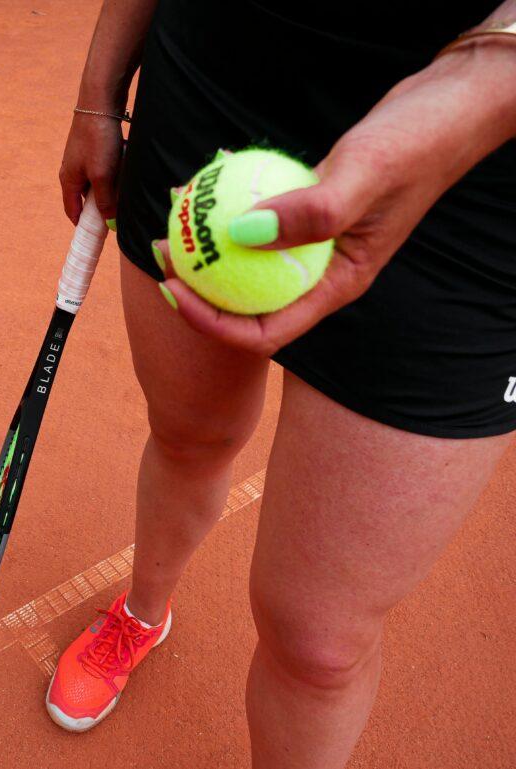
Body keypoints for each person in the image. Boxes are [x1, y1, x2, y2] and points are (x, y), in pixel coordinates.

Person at [45, 2, 516, 766]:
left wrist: (487, 78)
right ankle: (142, 611)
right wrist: (98, 93)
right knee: (188, 436)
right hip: (216, 87)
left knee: (319, 642)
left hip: (475, 168)